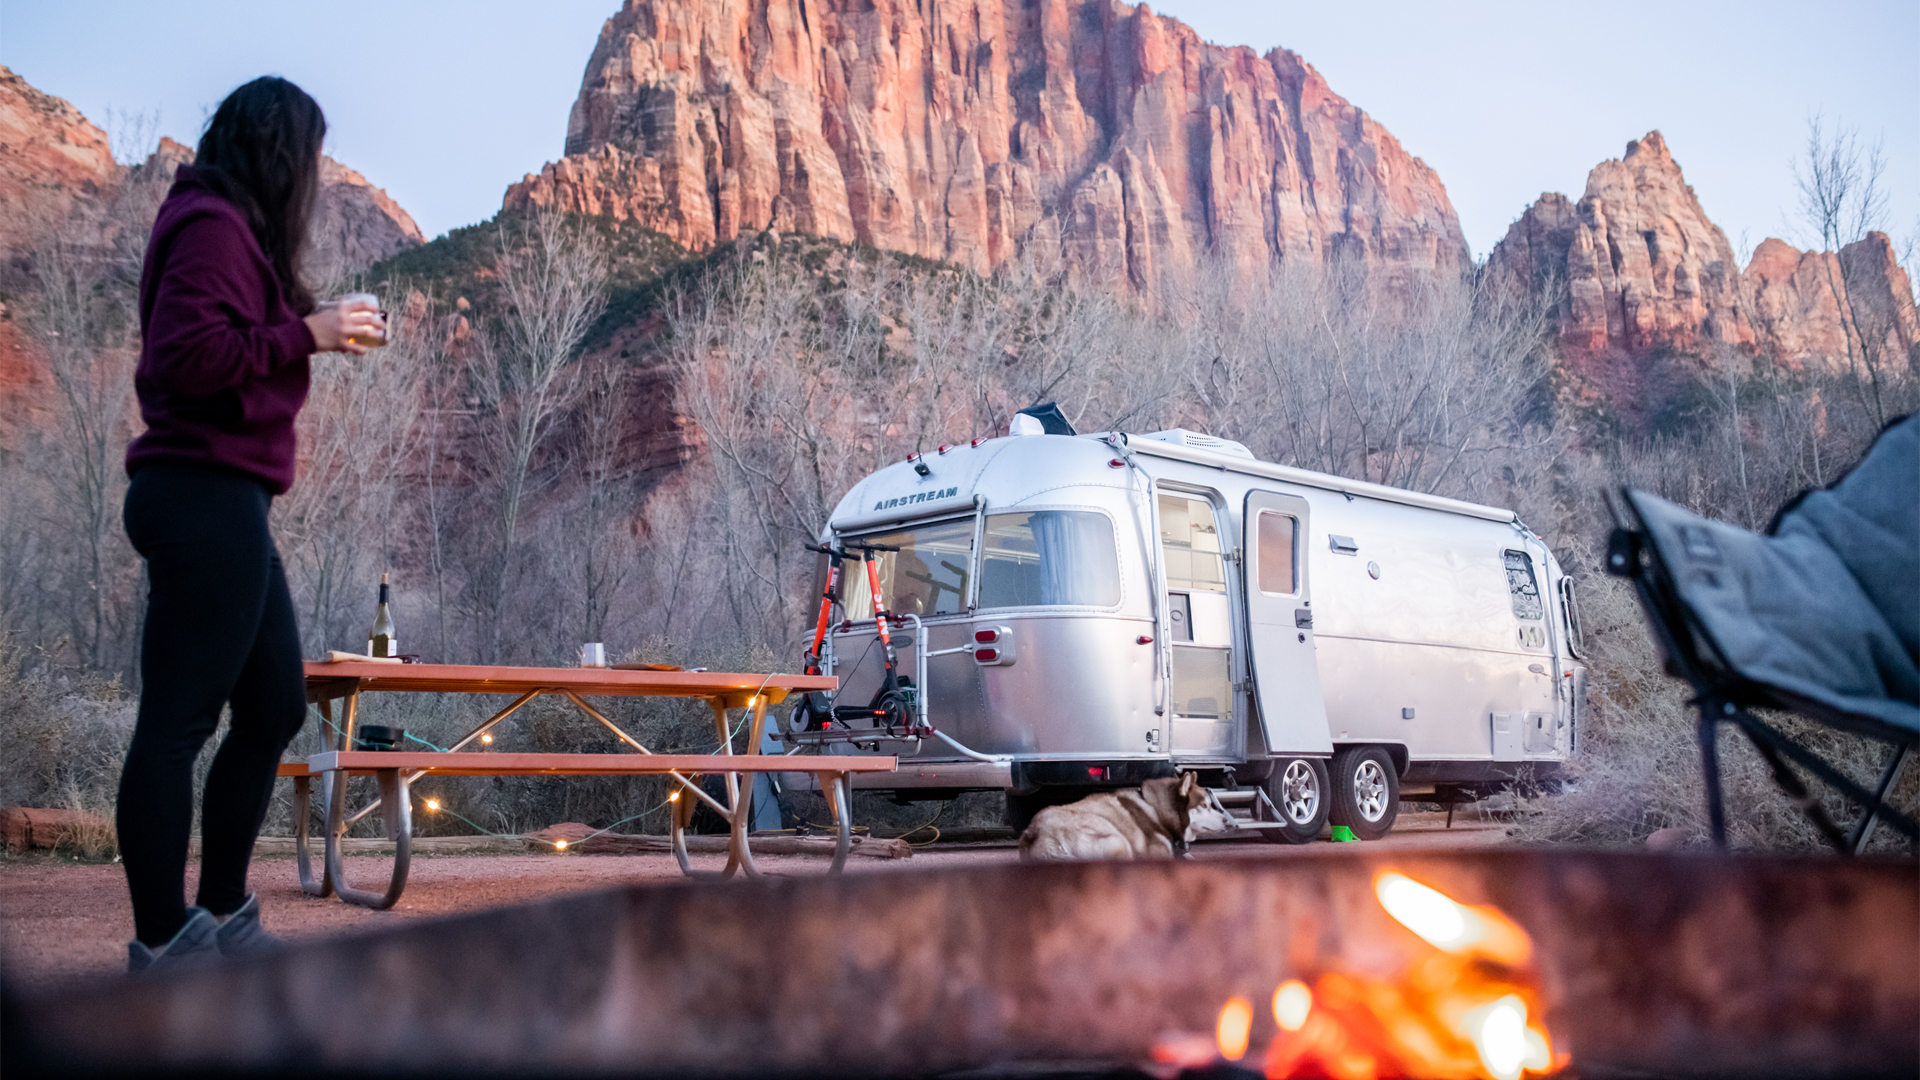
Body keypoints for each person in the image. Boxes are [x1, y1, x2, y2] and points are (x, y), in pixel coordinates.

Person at [117, 76, 382, 972]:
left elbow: (220, 344)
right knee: (177, 724)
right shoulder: (209, 226)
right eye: (305, 157)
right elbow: (187, 359)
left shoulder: (225, 231)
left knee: (270, 705)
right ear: (279, 154)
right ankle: (161, 944)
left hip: (227, 500)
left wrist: (305, 329)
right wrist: (307, 333)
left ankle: (222, 912)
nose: (310, 177)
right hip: (200, 494)